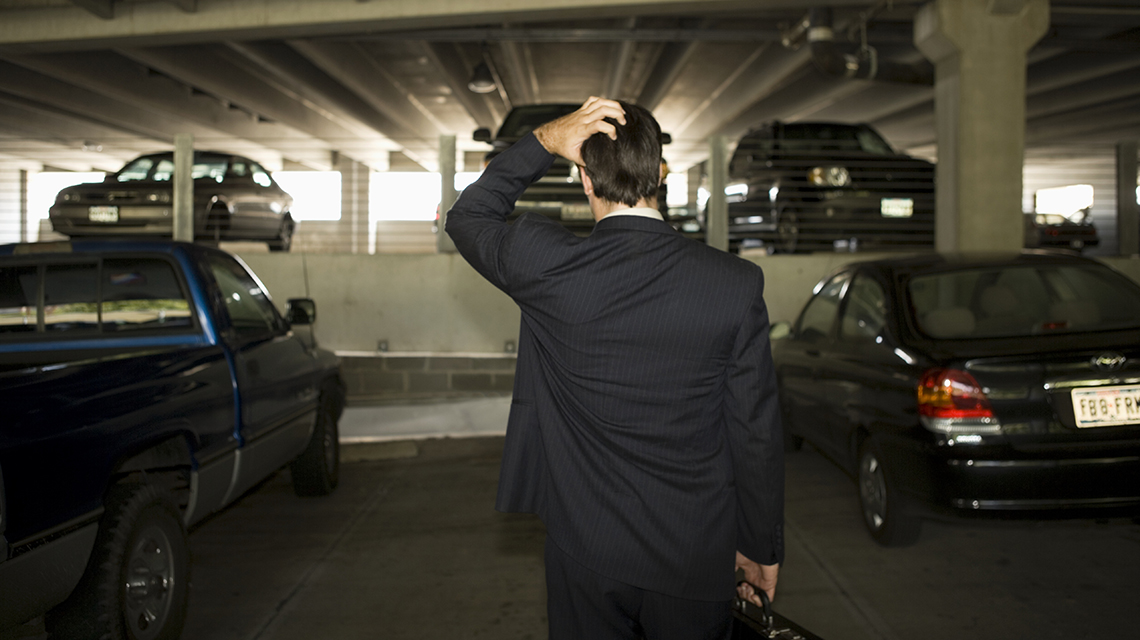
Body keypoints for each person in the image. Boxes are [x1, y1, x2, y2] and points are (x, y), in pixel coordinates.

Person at [446, 97, 783, 640]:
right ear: (661, 173)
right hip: (694, 553)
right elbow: (755, 433)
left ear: (584, 179)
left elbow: (469, 215)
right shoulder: (734, 284)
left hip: (586, 548)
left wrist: (543, 141)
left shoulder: (543, 263)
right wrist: (760, 544)